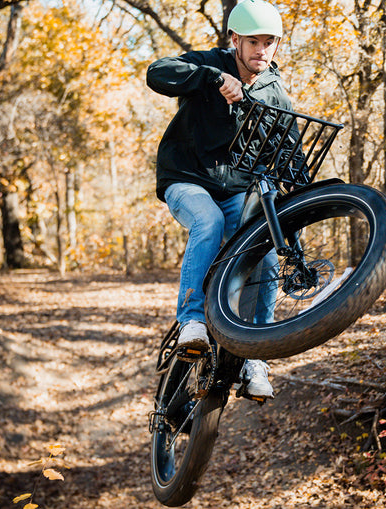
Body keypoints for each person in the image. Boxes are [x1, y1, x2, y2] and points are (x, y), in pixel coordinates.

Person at [146, 0, 291, 400]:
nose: (262, 50)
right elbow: (156, 73)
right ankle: (192, 321)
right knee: (207, 221)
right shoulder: (210, 62)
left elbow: (289, 150)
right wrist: (211, 78)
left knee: (267, 253)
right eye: (254, 42)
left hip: (236, 192)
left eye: (269, 42)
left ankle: (254, 358)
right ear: (235, 40)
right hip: (186, 179)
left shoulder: (275, 91)